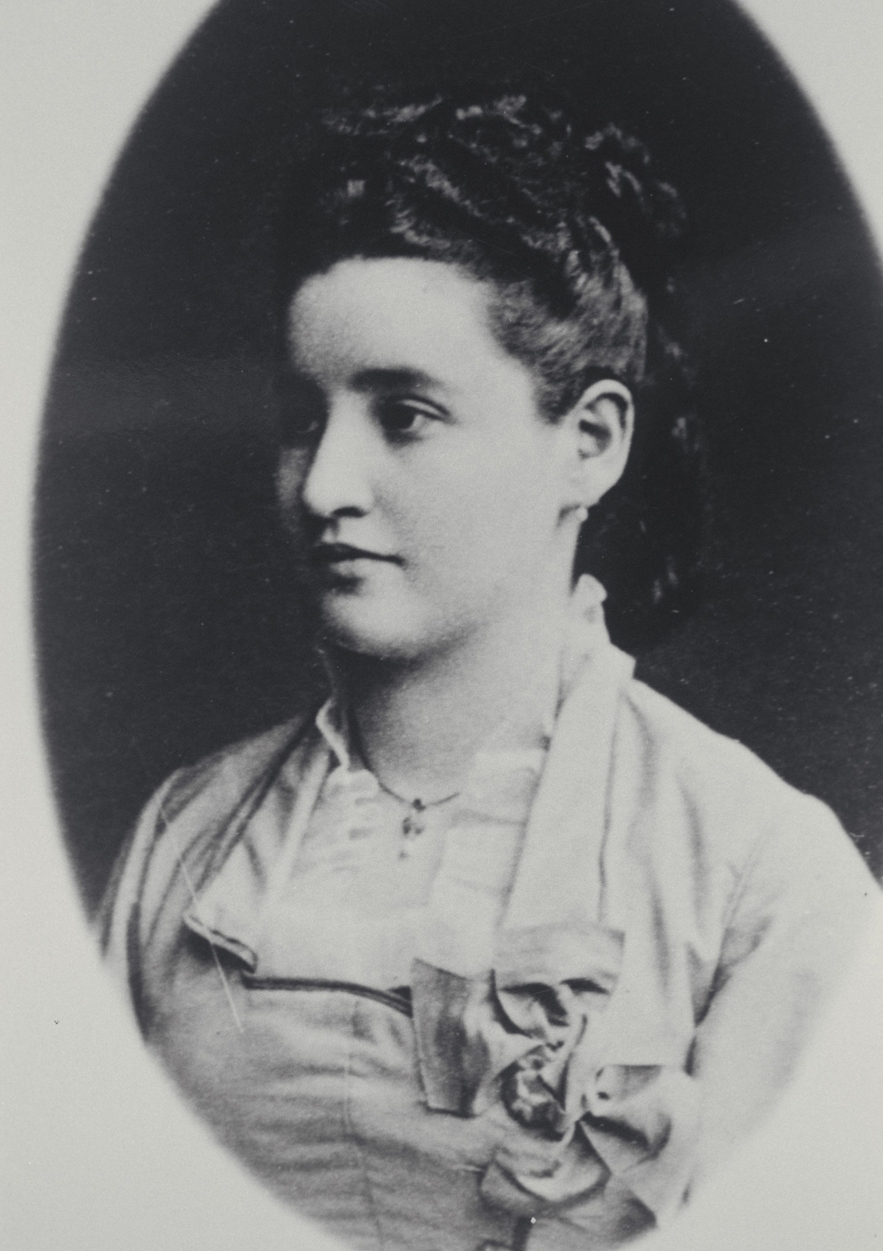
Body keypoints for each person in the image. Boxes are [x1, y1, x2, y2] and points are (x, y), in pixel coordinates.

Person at [98, 90, 878, 1251]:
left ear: (589, 444)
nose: (325, 486)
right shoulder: (184, 841)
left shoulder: (761, 880)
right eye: (303, 419)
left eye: (405, 415)